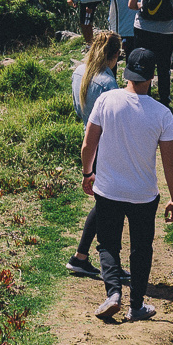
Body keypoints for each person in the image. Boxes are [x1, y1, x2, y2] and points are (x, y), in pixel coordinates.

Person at [81, 47, 173, 321]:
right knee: (141, 248)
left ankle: (113, 293)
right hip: (144, 195)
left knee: (108, 244)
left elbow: (89, 144)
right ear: (151, 77)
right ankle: (136, 306)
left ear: (126, 72)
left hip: (108, 190)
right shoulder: (162, 114)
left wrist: (88, 173)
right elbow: (171, 163)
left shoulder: (106, 100)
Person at [65, 32, 126, 279]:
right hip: (108, 146)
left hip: (90, 139)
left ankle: (80, 257)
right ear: (114, 56)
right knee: (112, 206)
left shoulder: (79, 72)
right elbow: (117, 120)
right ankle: (110, 265)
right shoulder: (108, 83)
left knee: (105, 204)